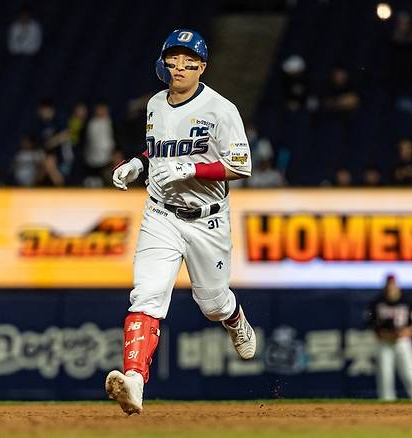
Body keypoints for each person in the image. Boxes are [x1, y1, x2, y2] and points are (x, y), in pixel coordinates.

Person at [105, 29, 256, 415]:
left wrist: (191, 167)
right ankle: (134, 381)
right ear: (164, 62)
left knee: (213, 304)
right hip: (161, 215)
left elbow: (241, 165)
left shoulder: (221, 109)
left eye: (189, 60)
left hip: (207, 220)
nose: (180, 66)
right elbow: (157, 148)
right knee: (146, 295)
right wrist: (138, 163)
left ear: (202, 67)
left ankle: (233, 317)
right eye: (173, 58)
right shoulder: (156, 103)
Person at [366, 274, 412, 401]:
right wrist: (385, 334)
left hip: (403, 342)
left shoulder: (407, 301)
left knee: (411, 374)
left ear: (397, 286)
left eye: (393, 285)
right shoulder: (377, 302)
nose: (391, 288)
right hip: (384, 343)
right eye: (389, 285)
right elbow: (370, 323)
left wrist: (405, 332)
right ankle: (386, 404)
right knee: (385, 376)